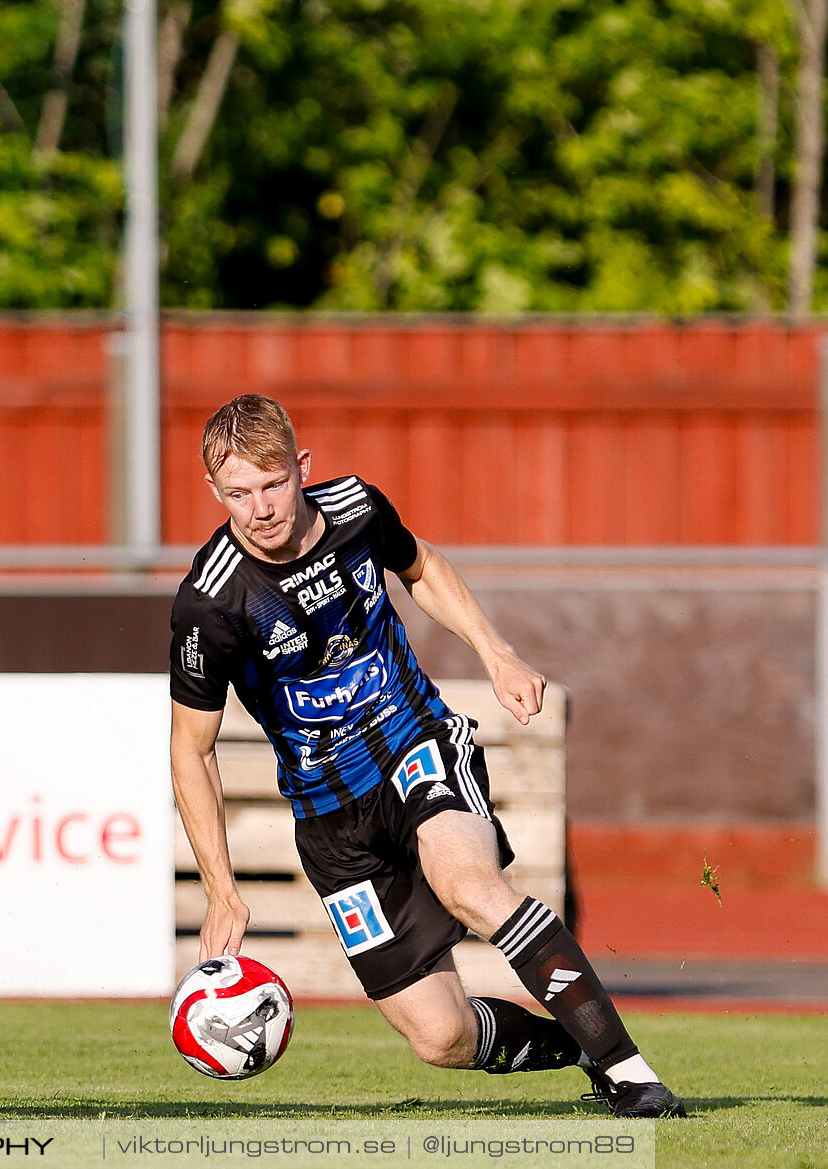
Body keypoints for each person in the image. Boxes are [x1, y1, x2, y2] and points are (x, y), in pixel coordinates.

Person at [169, 394, 684, 1118]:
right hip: (332, 824)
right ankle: (581, 1047)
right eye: (239, 493)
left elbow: (423, 567)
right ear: (214, 493)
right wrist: (222, 888)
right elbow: (191, 748)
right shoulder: (211, 603)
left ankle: (630, 1070)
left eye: (274, 483)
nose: (260, 508)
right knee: (440, 1035)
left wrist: (497, 653)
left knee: (468, 885)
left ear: (301, 467)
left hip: (415, 746)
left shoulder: (355, 509)